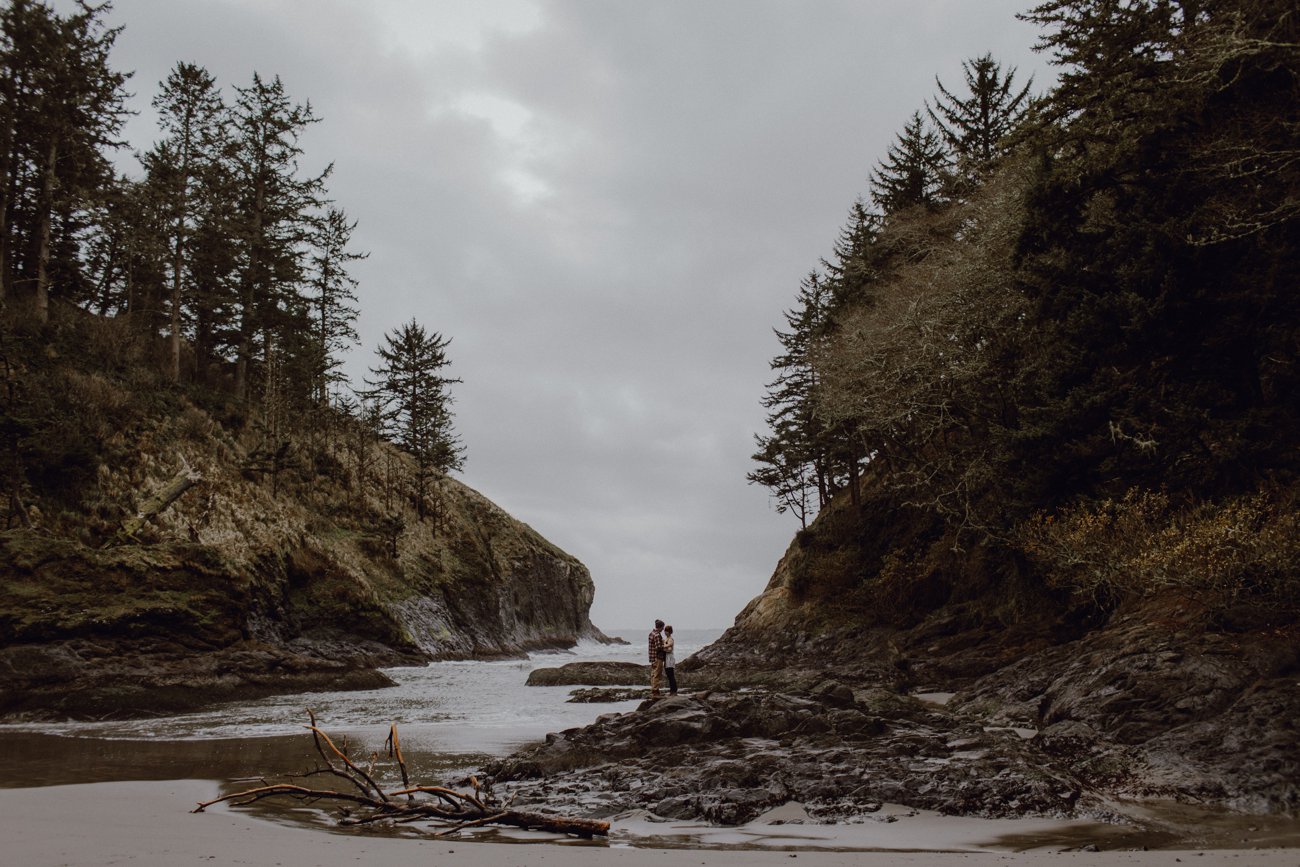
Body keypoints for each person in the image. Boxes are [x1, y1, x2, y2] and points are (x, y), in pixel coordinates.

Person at [647, 619, 665, 696]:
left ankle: (653, 689)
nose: (663, 629)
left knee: (653, 673)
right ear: (660, 627)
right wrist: (665, 645)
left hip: (652, 657)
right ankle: (655, 691)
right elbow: (658, 647)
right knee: (658, 674)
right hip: (657, 657)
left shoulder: (651, 633)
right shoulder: (657, 635)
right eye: (663, 627)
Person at [663, 624, 678, 695]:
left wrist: (663, 648)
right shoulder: (666, 639)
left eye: (666, 631)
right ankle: (672, 689)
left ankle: (673, 690)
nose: (665, 632)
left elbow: (669, 649)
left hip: (670, 658)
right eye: (665, 631)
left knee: (670, 674)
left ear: (670, 632)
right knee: (668, 674)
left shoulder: (671, 639)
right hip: (666, 658)